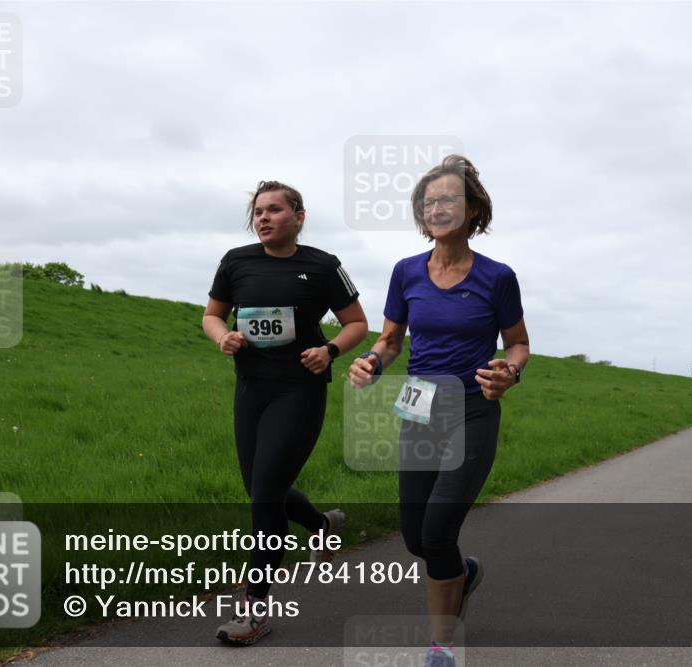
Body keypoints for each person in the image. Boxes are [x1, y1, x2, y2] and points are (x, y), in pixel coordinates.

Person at [349, 155, 529, 667]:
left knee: (437, 532)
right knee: (414, 538)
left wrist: (509, 373)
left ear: (472, 209)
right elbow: (388, 341)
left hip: (472, 410)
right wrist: (370, 363)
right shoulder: (406, 272)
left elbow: (518, 344)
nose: (437, 207)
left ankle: (442, 644)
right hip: (419, 408)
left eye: (449, 198)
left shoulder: (498, 277)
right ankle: (462, 575)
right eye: (429, 201)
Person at [202, 180, 369, 645]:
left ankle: (253, 610)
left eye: (274, 210)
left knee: (264, 496)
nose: (263, 218)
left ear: (298, 216)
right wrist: (223, 337)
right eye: (258, 211)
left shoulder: (322, 266)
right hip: (251, 389)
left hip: (299, 390)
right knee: (259, 487)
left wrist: (330, 350)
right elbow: (213, 315)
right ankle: (321, 525)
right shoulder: (236, 262)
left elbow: (357, 323)